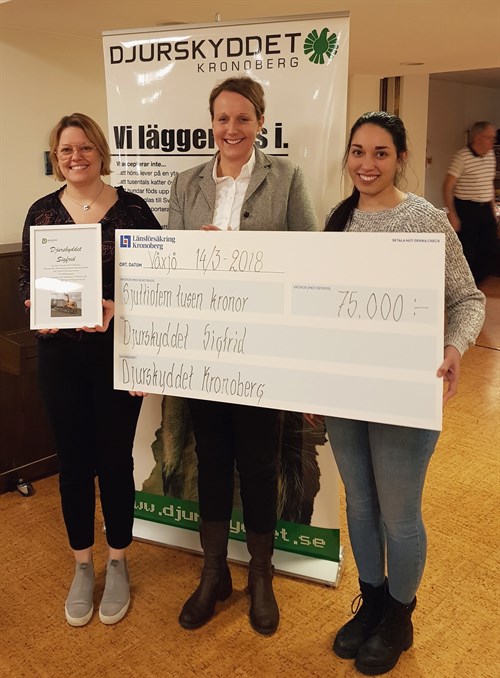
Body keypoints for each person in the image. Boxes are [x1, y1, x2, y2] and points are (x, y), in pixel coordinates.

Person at [308, 111, 485, 675]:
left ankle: (399, 617)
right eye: (358, 152)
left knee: (399, 515)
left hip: (404, 393)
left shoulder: (427, 221)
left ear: (400, 158)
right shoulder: (336, 221)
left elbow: (468, 299)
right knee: (360, 504)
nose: (367, 164)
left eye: (380, 153)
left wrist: (454, 347)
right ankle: (373, 602)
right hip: (346, 392)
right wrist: (310, 379)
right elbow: (319, 305)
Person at [168, 76, 317, 635]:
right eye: (222, 118)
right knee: (211, 458)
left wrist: (253, 255)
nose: (232, 129)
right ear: (212, 122)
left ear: (260, 122)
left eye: (243, 118)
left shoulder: (287, 178)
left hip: (263, 349)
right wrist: (196, 253)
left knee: (258, 462)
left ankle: (260, 575)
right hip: (205, 348)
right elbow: (169, 261)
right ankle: (213, 573)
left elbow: (310, 259)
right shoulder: (185, 183)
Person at [19, 113, 162, 627]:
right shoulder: (41, 212)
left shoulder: (133, 209)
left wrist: (119, 309)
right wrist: (38, 311)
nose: (75, 157)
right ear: (56, 158)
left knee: (116, 461)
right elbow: (27, 282)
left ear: (101, 151)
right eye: (65, 150)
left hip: (118, 356)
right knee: (74, 465)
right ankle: (83, 563)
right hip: (60, 360)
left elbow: (160, 280)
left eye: (84, 147)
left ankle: (118, 560)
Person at [443, 121, 498, 285]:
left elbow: (489, 183)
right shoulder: (462, 157)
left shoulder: (490, 155)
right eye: (489, 138)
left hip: (485, 208)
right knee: (468, 251)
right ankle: (464, 286)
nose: (493, 141)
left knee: (490, 249)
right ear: (478, 138)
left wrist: (493, 209)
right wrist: (452, 214)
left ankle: (475, 284)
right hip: (466, 209)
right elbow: (447, 187)